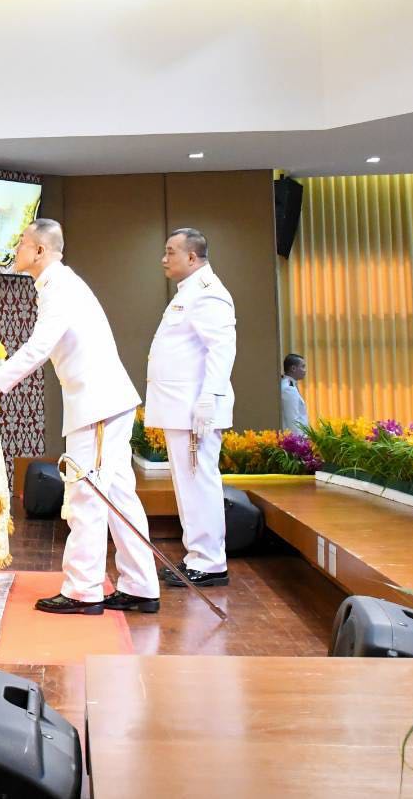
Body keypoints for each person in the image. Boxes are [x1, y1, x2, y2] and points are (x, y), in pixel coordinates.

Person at [0, 219, 160, 615]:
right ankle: (140, 587)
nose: (16, 249)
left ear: (40, 250)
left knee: (87, 495)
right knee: (117, 496)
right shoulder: (58, 285)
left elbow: (39, 347)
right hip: (102, 404)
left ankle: (83, 591)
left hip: (98, 406)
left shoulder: (59, 287)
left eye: (22, 242)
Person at [146, 227, 237, 588]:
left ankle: (210, 562)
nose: (164, 259)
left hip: (195, 409)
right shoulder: (188, 292)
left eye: (171, 252)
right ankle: (197, 555)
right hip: (181, 408)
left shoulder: (208, 293)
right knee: (188, 486)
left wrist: (208, 398)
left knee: (199, 484)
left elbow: (222, 348)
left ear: (192, 257)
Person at [281, 353, 309, 433]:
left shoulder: (290, 385)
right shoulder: (289, 389)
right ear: (293, 368)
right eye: (303, 367)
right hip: (296, 438)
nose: (305, 370)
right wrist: (300, 440)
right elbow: (293, 420)